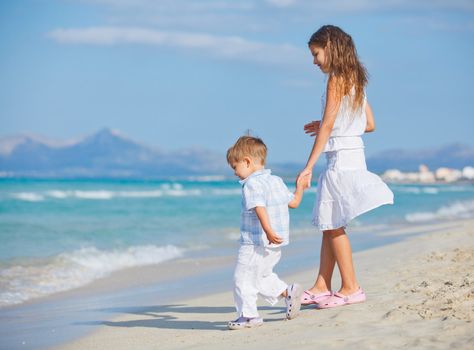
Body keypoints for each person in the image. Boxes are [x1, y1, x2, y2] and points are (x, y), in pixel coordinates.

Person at [296, 25, 394, 309]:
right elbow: (370, 125)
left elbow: (328, 126)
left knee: (334, 225)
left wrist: (307, 167)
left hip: (340, 160)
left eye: (316, 54)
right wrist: (336, 124)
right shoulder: (357, 78)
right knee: (330, 224)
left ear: (330, 47)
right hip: (352, 156)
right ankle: (322, 285)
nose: (314, 61)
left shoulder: (337, 79)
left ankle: (351, 287)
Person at [226, 135, 309, 330]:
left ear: (247, 161)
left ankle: (248, 316)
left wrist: (268, 230)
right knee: (261, 276)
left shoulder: (252, 184)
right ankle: (287, 292)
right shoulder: (276, 181)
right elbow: (294, 203)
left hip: (255, 242)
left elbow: (259, 207)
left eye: (235, 167)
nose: (235, 173)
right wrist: (300, 187)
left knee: (243, 278)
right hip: (275, 243)